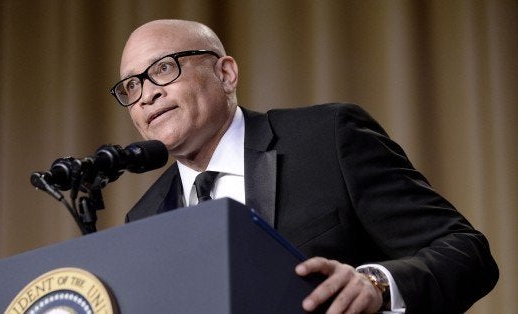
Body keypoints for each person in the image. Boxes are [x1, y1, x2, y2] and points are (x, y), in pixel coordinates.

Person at [110, 19, 498, 313]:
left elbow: (468, 253)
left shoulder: (327, 139)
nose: (146, 95)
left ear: (225, 73)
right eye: (130, 86)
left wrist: (376, 285)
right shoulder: (144, 217)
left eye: (162, 69)